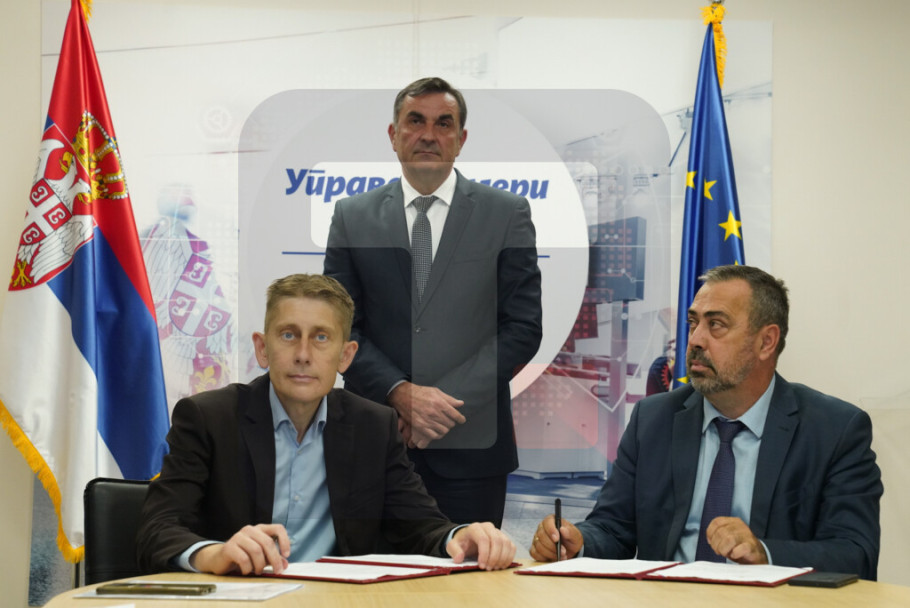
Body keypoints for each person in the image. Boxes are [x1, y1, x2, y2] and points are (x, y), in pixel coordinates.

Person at [136, 273, 516, 575]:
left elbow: (419, 525)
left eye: (321, 338)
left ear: (345, 356)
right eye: (288, 335)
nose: (303, 354)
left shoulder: (373, 426)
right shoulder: (207, 418)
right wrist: (215, 554)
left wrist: (460, 535)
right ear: (262, 348)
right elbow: (158, 528)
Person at [529, 265, 882, 580]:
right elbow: (614, 528)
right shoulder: (653, 419)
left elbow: (855, 554)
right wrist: (578, 542)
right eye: (693, 322)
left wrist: (765, 553)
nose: (695, 340)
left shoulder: (835, 431)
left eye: (716, 325)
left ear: (766, 342)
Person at [323, 77, 543, 527]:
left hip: (471, 449)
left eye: (444, 124)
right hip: (374, 441)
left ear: (461, 139)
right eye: (415, 121)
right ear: (393, 134)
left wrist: (438, 406)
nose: (428, 135)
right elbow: (340, 326)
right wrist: (399, 393)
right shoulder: (352, 216)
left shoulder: (507, 213)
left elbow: (522, 327)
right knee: (367, 572)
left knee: (470, 573)